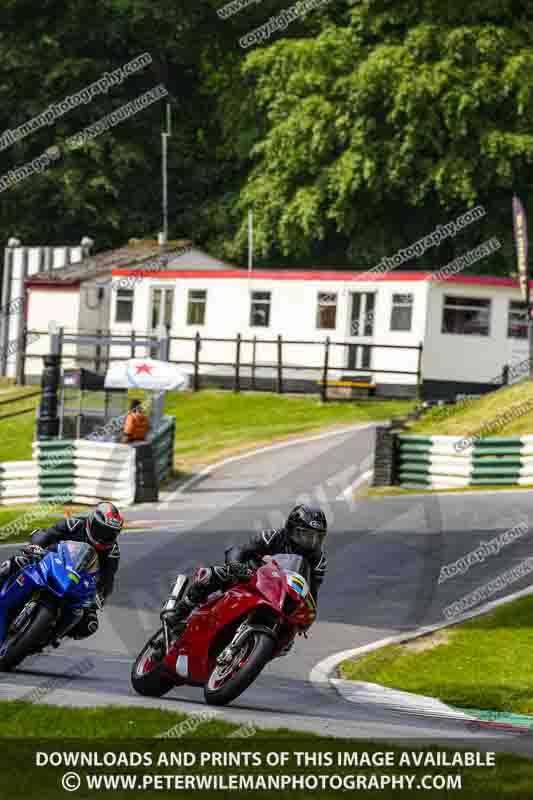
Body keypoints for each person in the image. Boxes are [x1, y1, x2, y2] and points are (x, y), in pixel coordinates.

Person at [163, 504, 328, 639]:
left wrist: (306, 616)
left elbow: (311, 592)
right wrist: (236, 565)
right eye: (306, 535)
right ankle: (179, 612)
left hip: (279, 595)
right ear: (292, 529)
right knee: (214, 574)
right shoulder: (273, 537)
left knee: (289, 635)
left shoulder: (318, 560)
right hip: (250, 577)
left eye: (316, 537)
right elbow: (240, 550)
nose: (311, 542)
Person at [0, 502, 124, 639]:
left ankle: (51, 636)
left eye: (110, 533)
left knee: (90, 624)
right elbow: (48, 533)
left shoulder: (112, 551)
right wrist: (35, 546)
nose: (104, 536)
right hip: (50, 562)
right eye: (102, 530)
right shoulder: (75, 524)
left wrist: (99, 596)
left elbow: (107, 580)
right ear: (93, 522)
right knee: (14, 563)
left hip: (77, 583)